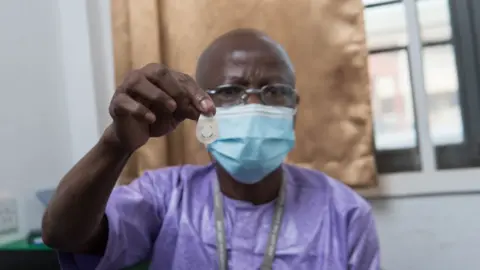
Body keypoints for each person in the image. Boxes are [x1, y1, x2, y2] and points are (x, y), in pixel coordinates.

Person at [42, 29, 380, 270]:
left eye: (274, 91)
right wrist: (115, 144)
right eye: (230, 91)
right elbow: (63, 235)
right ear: (199, 105)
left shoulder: (344, 212)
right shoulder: (165, 196)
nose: (252, 106)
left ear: (294, 109)